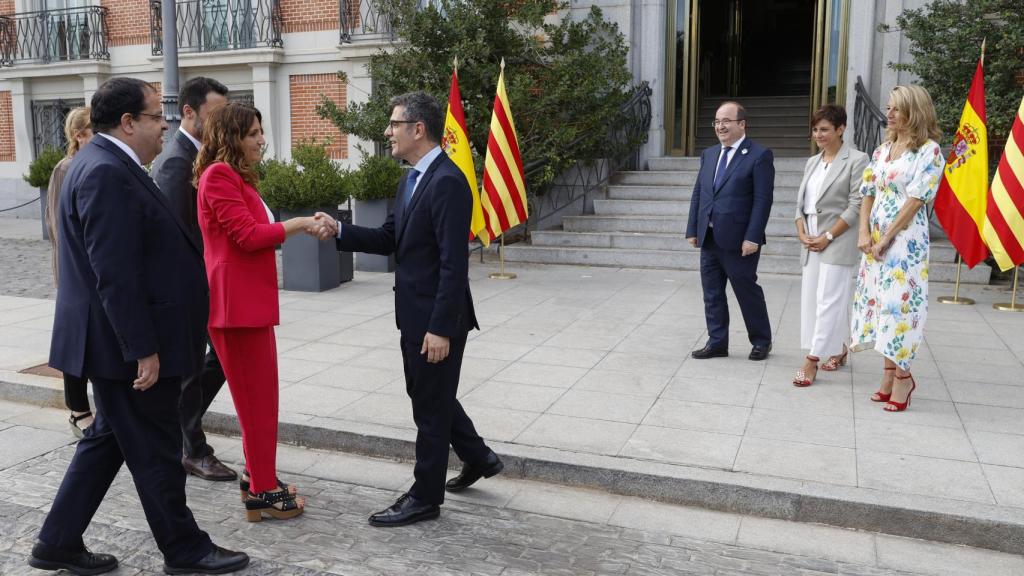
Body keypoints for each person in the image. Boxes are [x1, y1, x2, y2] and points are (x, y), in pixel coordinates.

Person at [31, 77, 248, 575]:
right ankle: (185, 549)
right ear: (128, 123)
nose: (166, 125)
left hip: (113, 344)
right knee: (155, 452)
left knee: (106, 441)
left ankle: (56, 541)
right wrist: (143, 349)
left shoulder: (109, 164)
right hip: (124, 349)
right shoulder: (106, 171)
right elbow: (116, 273)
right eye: (157, 117)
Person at [314, 92, 503, 527]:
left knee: (429, 409)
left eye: (395, 124)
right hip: (414, 314)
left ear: (418, 129)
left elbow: (455, 265)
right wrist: (340, 229)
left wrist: (440, 329)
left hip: (438, 320)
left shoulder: (448, 182)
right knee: (428, 396)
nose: (388, 131)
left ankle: (424, 497)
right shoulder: (412, 179)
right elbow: (389, 238)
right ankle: (479, 457)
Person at [195, 102, 323, 521]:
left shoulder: (233, 176)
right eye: (252, 133)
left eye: (260, 132)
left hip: (247, 304)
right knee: (257, 404)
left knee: (261, 402)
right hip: (235, 308)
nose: (261, 140)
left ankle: (259, 478)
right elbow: (249, 236)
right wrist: (301, 223)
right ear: (231, 137)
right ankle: (263, 491)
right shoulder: (218, 175)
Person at [151, 76, 236, 482]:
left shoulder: (207, 156)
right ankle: (190, 446)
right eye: (215, 113)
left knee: (216, 361)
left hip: (211, 281)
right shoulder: (176, 161)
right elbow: (174, 235)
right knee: (192, 369)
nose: (222, 120)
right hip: (189, 286)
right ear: (189, 112)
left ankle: (180, 434)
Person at [851, 85, 943, 412]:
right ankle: (888, 375)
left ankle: (904, 377)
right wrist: (864, 233)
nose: (888, 115)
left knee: (901, 307)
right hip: (875, 238)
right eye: (888, 108)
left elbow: (916, 201)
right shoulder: (881, 150)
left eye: (895, 109)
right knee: (880, 305)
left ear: (913, 112)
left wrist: (887, 237)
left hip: (905, 242)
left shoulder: (929, 152)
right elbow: (867, 193)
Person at [685, 101, 775, 361]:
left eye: (726, 121)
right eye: (716, 121)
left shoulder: (759, 155)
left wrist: (753, 236)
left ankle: (761, 341)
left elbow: (762, 200)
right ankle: (717, 342)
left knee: (746, 291)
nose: (720, 126)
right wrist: (693, 228)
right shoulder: (709, 154)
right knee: (711, 293)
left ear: (742, 124)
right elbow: (700, 192)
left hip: (739, 241)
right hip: (710, 237)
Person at [792, 105, 868, 387]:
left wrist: (829, 236)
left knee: (830, 299)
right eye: (815, 129)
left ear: (840, 129)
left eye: (824, 129)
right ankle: (837, 348)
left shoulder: (857, 160)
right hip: (810, 236)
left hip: (838, 237)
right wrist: (801, 230)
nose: (818, 135)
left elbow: (857, 203)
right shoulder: (812, 162)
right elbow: (801, 203)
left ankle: (811, 360)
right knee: (813, 299)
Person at [45, 107, 94, 438]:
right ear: (79, 135)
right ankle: (78, 410)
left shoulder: (93, 165)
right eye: (94, 130)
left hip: (91, 269)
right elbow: (57, 224)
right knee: (76, 340)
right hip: (74, 269)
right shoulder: (66, 169)